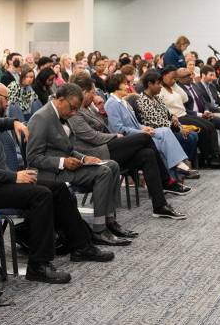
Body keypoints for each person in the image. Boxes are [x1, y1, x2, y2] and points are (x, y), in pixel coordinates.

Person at [0, 81, 113, 284]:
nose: (9, 103)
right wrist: (14, 177)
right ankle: (38, 264)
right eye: (6, 99)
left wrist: (13, 122)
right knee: (41, 195)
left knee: (57, 189)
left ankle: (81, 246)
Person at [26, 83, 135, 246]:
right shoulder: (41, 118)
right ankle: (99, 230)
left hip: (64, 168)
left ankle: (110, 221)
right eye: (72, 108)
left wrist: (84, 159)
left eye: (77, 109)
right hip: (49, 173)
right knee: (103, 172)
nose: (74, 113)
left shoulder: (63, 114)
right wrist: (62, 162)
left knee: (112, 165)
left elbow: (68, 149)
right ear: (61, 100)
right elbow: (33, 158)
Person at [69, 74, 189, 219]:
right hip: (96, 153)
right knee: (145, 138)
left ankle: (160, 206)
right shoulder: (75, 112)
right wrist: (115, 136)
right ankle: (166, 181)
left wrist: (101, 113)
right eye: (92, 92)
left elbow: (103, 128)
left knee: (147, 154)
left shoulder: (90, 108)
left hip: (108, 147)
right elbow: (92, 137)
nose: (95, 96)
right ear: (83, 92)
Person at [104, 73, 199, 179]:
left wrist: (144, 128)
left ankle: (178, 167)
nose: (127, 86)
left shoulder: (123, 102)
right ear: (116, 85)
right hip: (130, 140)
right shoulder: (112, 103)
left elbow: (135, 124)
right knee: (164, 142)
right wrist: (142, 132)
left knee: (166, 131)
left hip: (139, 134)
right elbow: (119, 129)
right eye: (124, 84)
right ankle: (176, 172)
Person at [162, 67, 220, 165]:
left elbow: (185, 98)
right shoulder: (161, 90)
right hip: (177, 118)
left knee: (210, 125)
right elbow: (163, 108)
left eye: (175, 78)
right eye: (172, 78)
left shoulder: (174, 87)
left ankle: (216, 156)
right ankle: (208, 158)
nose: (174, 80)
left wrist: (175, 84)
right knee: (203, 128)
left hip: (185, 115)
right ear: (164, 76)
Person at [175, 68, 220, 156]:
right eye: (187, 76)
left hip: (205, 114)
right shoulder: (179, 90)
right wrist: (201, 114)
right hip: (192, 117)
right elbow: (185, 110)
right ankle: (213, 154)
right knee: (210, 127)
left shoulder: (194, 85)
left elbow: (204, 102)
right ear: (179, 79)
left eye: (190, 74)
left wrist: (206, 110)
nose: (190, 77)